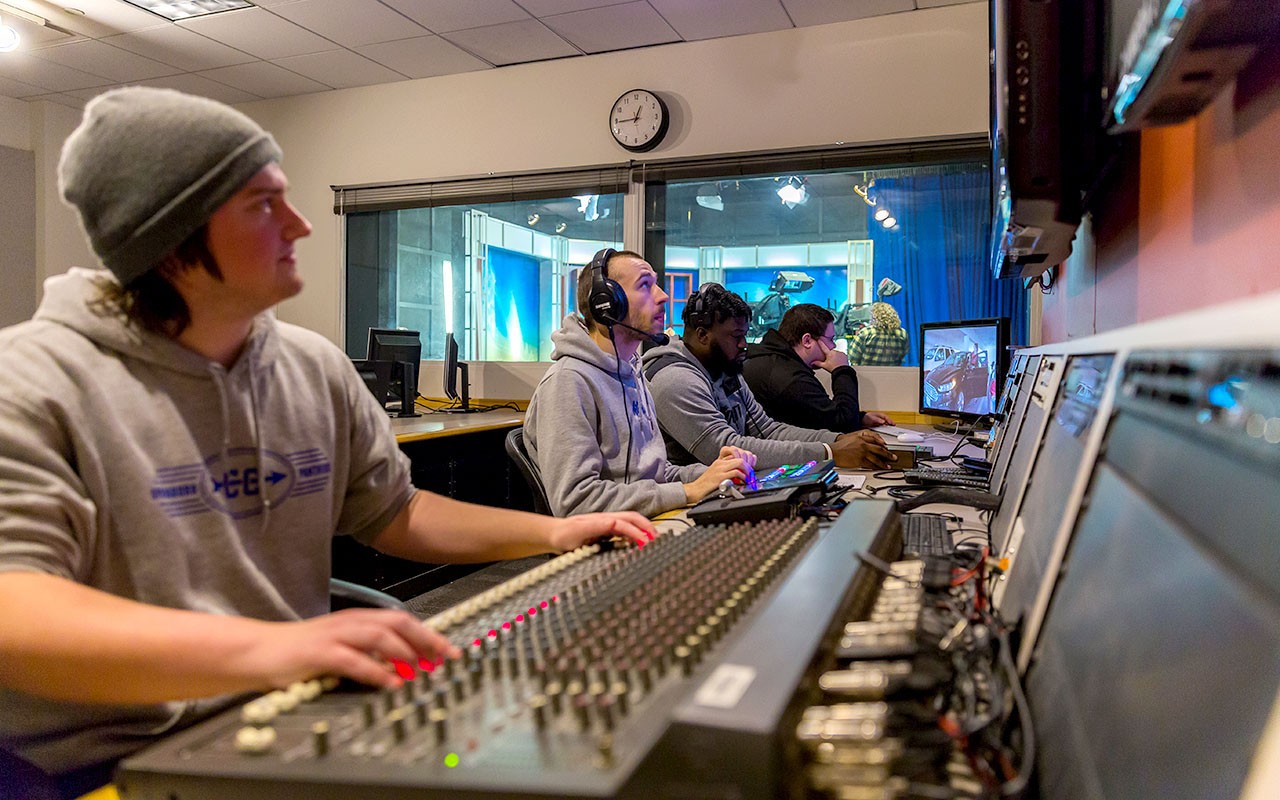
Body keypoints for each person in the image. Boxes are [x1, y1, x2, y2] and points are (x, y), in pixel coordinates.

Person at [0, 88, 655, 796]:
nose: (302, 224)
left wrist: (556, 532)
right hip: (86, 767)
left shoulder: (310, 366)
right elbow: (17, 610)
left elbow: (394, 511)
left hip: (277, 716)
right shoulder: (32, 382)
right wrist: (281, 647)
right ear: (171, 238)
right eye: (262, 204)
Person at [525, 249, 752, 518]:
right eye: (645, 285)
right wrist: (688, 491)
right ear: (607, 303)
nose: (663, 295)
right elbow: (576, 501)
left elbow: (655, 474)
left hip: (646, 521)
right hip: (608, 544)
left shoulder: (632, 372)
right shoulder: (568, 382)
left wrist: (714, 473)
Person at [642, 283, 895, 472]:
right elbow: (725, 449)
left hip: (729, 485)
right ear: (702, 335)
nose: (744, 345)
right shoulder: (675, 379)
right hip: (692, 499)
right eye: (736, 336)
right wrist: (830, 452)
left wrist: (838, 439)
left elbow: (768, 430)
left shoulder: (724, 367)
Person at [743, 303, 894, 433]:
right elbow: (844, 426)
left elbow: (814, 417)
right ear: (807, 340)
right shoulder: (790, 378)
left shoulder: (772, 361)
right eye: (830, 339)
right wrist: (841, 370)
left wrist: (860, 418)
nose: (833, 346)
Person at [849, 301, 910, 366]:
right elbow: (904, 354)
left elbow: (853, 356)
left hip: (866, 374)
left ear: (875, 316)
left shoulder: (866, 332)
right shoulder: (902, 333)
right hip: (892, 374)